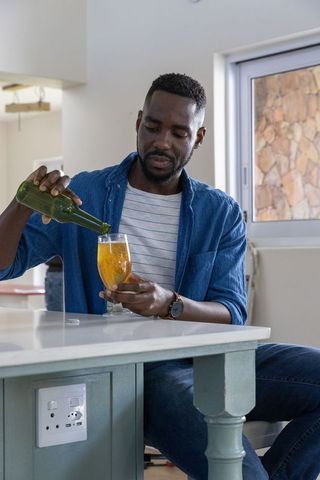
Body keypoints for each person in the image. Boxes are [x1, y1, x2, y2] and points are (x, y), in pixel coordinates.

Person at [0, 72, 319, 480]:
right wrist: (22, 203)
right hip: (142, 371)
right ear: (138, 123)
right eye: (153, 127)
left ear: (198, 138)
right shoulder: (86, 195)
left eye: (179, 132)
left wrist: (169, 304)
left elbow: (231, 312)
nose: (162, 141)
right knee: (238, 471)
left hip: (213, 358)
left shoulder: (218, 212)